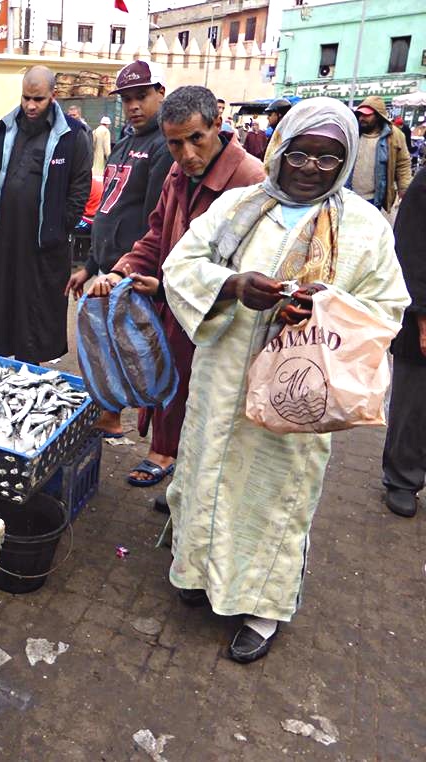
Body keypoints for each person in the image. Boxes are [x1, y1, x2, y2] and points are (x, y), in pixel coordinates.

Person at [161, 98, 409, 663]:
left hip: (300, 394)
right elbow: (183, 265)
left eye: (328, 160)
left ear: (345, 164)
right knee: (208, 474)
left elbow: (387, 308)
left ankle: (262, 609)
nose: (308, 169)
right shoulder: (239, 206)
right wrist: (233, 286)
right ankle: (200, 574)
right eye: (299, 153)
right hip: (223, 379)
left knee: (275, 497)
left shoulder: (366, 229)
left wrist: (330, 306)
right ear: (279, 147)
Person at [83, 86, 264, 495]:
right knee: (172, 389)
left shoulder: (250, 180)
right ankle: (177, 475)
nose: (186, 153)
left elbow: (243, 270)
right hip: (174, 308)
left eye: (195, 139)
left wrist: (168, 287)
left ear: (218, 124)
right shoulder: (178, 174)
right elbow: (155, 233)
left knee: (210, 411)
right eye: (175, 143)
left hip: (221, 321)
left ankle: (192, 489)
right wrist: (121, 271)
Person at [65, 60, 173, 435]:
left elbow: (155, 223)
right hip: (107, 268)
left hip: (135, 273)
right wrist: (89, 264)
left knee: (142, 353)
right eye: (127, 99)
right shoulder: (124, 143)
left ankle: (158, 435)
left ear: (161, 92)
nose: (134, 106)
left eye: (141, 96)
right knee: (108, 347)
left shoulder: (164, 146)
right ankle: (110, 416)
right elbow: (109, 206)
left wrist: (130, 270)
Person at [0, 66, 92, 362]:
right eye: (26, 97)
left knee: (36, 312)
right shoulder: (6, 126)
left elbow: (80, 185)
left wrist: (60, 225)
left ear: (52, 96)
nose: (30, 105)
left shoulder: (72, 135)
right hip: (4, 239)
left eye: (38, 99)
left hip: (43, 244)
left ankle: (30, 371)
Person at [382, 167, 426, 518]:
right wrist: (422, 317)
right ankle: (402, 478)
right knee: (414, 402)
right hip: (422, 312)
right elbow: (410, 247)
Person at [348, 96, 411, 212]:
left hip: (373, 198)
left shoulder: (394, 136)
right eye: (360, 115)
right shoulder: (353, 133)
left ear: (378, 116)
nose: (362, 118)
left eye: (367, 115)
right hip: (348, 195)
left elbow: (403, 164)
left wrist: (404, 188)